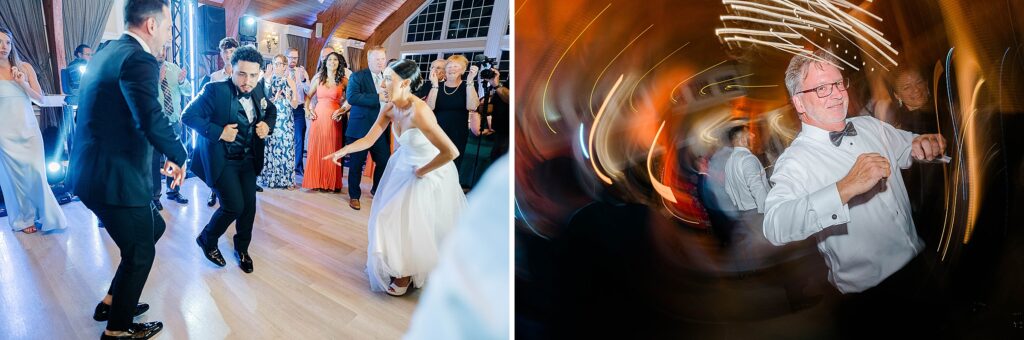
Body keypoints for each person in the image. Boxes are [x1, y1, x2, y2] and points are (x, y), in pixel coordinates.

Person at [762, 50, 948, 335]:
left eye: (838, 83)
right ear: (799, 101)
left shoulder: (869, 125)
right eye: (822, 88)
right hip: (872, 298)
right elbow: (775, 224)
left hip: (921, 265)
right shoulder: (795, 161)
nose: (836, 94)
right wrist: (844, 188)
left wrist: (923, 144)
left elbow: (906, 146)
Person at [68, 1, 188, 338]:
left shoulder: (108, 50)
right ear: (150, 25)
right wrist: (179, 154)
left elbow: (121, 116)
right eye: (166, 28)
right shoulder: (140, 59)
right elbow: (149, 117)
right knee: (141, 251)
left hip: (92, 171)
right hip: (112, 177)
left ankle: (111, 301)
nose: (167, 36)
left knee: (153, 229)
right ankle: (117, 331)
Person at [325, 59, 467, 296]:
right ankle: (398, 265)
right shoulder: (389, 107)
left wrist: (422, 171)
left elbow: (451, 152)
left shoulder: (420, 111)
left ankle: (405, 274)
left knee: (412, 223)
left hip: (428, 170)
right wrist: (344, 150)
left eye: (389, 78)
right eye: (384, 77)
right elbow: (369, 139)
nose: (383, 83)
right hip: (403, 166)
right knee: (386, 216)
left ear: (406, 83)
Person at [183, 46, 275, 274]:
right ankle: (207, 238)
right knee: (233, 205)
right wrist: (218, 131)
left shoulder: (258, 89)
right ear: (231, 70)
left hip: (248, 159)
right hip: (222, 160)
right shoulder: (214, 91)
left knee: (249, 208)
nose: (248, 81)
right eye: (242, 74)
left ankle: (242, 249)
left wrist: (267, 126)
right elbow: (188, 116)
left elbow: (270, 111)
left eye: (253, 75)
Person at [0, 27, 68, 234]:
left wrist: (22, 84)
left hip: (29, 130)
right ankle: (24, 218)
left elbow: (40, 99)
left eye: (7, 43)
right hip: (4, 133)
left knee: (38, 174)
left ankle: (47, 216)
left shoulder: (25, 67)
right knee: (15, 179)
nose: (4, 47)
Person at [343, 46, 392, 210]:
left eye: (382, 59)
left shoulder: (389, 77)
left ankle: (376, 189)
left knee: (384, 161)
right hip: (360, 128)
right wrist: (377, 97)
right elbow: (352, 97)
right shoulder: (358, 76)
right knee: (356, 164)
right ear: (369, 60)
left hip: (380, 128)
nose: (380, 62)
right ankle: (354, 196)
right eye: (377, 59)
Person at [151, 44, 192, 209]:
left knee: (174, 158)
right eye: (158, 48)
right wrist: (156, 82)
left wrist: (182, 82)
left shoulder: (174, 68)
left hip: (174, 123)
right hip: (154, 124)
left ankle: (173, 191)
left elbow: (188, 91)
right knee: (154, 161)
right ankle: (154, 197)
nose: (161, 52)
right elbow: (142, 96)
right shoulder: (145, 71)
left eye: (163, 49)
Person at [199, 37, 238, 207]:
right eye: (225, 52)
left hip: (237, 123)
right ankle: (213, 191)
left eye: (231, 51)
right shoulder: (214, 77)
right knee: (217, 160)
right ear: (221, 54)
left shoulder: (242, 75)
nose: (228, 55)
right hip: (219, 124)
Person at [426, 54, 479, 175]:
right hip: (437, 131)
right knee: (433, 163)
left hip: (458, 132)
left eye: (456, 66)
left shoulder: (467, 86)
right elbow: (429, 108)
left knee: (452, 165)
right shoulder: (437, 86)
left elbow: (472, 106)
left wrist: (470, 81)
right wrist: (434, 84)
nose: (452, 69)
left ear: (463, 70)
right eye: (449, 66)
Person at [302, 52, 347, 192]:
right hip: (319, 116)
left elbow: (351, 98)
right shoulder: (319, 79)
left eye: (335, 60)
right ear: (325, 62)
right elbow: (308, 97)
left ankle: (330, 182)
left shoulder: (343, 80)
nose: (332, 62)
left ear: (339, 63)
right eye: (330, 59)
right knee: (317, 148)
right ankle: (316, 181)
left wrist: (342, 111)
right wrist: (308, 110)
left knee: (332, 148)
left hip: (334, 117)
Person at [256, 54, 298, 189]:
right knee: (272, 147)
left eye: (281, 64)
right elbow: (263, 103)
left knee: (286, 148)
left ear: (285, 66)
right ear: (272, 65)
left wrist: (289, 98)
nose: (279, 66)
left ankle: (287, 181)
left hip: (286, 119)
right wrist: (274, 99)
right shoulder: (268, 80)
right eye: (276, 63)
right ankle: (271, 179)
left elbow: (295, 105)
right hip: (272, 117)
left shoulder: (290, 81)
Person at [723, 125, 769, 214]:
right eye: (749, 135)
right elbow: (757, 187)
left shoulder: (729, 162)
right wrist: (767, 211)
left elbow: (728, 189)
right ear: (742, 139)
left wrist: (739, 204)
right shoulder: (748, 158)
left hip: (745, 214)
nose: (753, 136)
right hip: (759, 210)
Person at [285, 47, 310, 176]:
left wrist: (304, 80)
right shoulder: (282, 71)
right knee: (285, 138)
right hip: (285, 109)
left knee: (299, 138)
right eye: (291, 57)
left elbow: (309, 91)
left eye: (296, 57)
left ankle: (298, 167)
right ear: (286, 57)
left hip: (299, 110)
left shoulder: (302, 72)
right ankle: (285, 166)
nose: (293, 60)